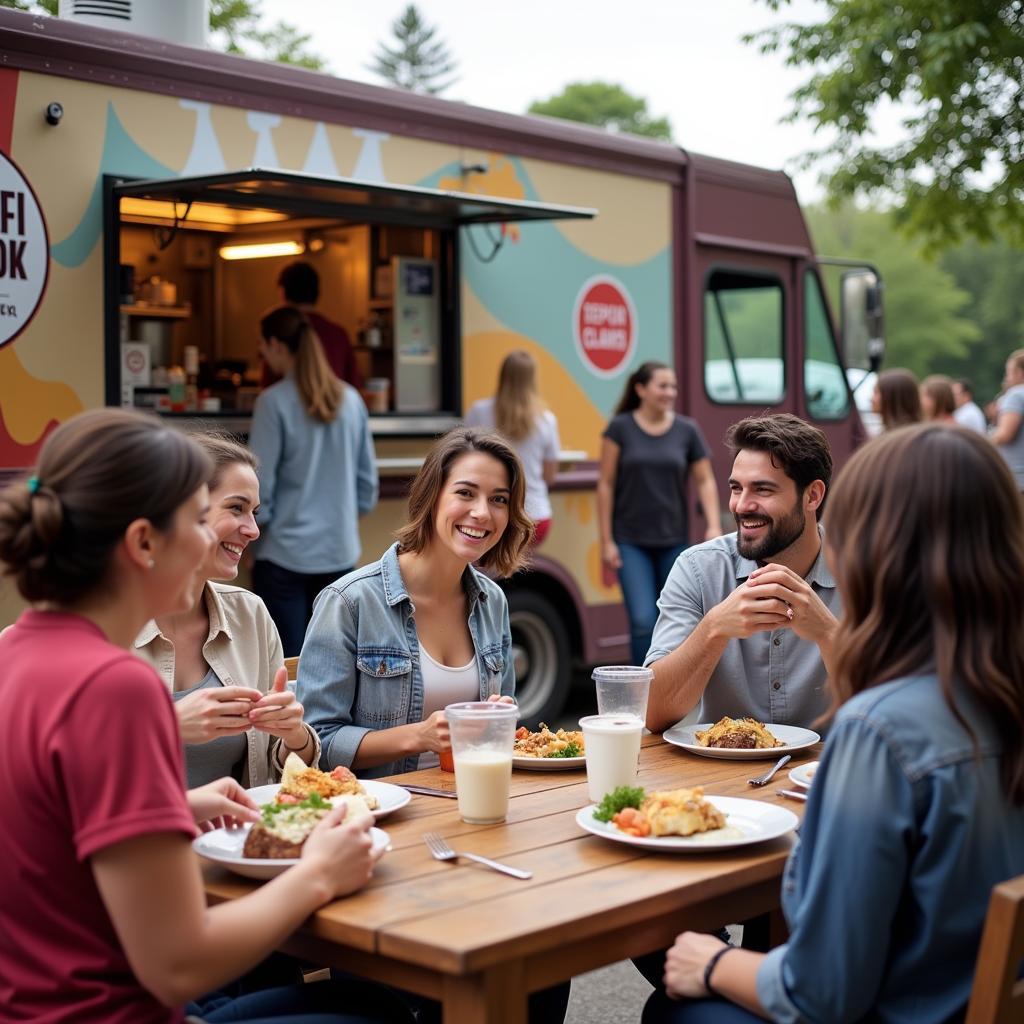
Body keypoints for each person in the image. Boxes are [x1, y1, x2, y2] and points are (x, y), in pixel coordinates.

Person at [0, 408, 395, 1024]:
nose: (221, 538)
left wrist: (174, 808)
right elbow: (177, 963)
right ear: (142, 543)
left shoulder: (13, 652)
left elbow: (44, 830)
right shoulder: (115, 687)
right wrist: (317, 874)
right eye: (196, 519)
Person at [643, 423, 1024, 1024]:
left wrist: (711, 963)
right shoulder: (995, 689)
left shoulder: (881, 732)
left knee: (675, 1009)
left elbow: (821, 990)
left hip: (889, 1005)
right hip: (960, 994)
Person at [299, 427, 531, 779]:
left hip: (471, 795)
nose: (482, 512)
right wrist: (418, 737)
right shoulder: (349, 602)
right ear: (433, 496)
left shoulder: (491, 600)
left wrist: (501, 715)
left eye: (499, 499)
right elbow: (316, 744)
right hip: (380, 813)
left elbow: (507, 720)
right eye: (465, 493)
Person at [135, 432, 320, 789]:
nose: (252, 530)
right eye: (236, 508)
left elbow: (275, 775)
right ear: (179, 510)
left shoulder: (249, 614)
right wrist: (168, 725)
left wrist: (294, 735)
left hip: (235, 840)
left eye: (254, 512)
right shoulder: (100, 626)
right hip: (137, 844)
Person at [644, 414, 839, 734]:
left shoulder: (866, 574)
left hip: (829, 775)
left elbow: (895, 717)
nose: (741, 505)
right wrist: (714, 629)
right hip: (723, 780)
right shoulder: (699, 568)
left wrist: (828, 634)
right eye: (736, 488)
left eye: (762, 489)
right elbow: (652, 712)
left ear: (812, 496)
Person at [250, 305, 378, 656]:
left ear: (276, 345)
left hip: (284, 556)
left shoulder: (272, 403)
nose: (262, 354)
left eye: (262, 345)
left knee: (286, 663)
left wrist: (253, 540)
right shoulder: (352, 401)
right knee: (334, 662)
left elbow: (260, 489)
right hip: (339, 552)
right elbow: (367, 488)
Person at [598, 361, 722, 666]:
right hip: (630, 541)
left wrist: (714, 525)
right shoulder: (620, 428)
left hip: (674, 542)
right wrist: (606, 541)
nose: (670, 392)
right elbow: (605, 484)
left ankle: (672, 685)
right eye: (663, 386)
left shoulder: (687, 430)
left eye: (673, 386)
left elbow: (705, 480)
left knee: (677, 618)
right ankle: (643, 689)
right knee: (642, 619)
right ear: (641, 389)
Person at [465, 349, 560, 546]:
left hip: (490, 513)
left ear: (503, 376)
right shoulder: (546, 420)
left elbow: (463, 460)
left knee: (487, 574)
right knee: (518, 573)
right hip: (536, 517)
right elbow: (550, 475)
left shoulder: (479, 412)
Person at [266, 261, 363, 390]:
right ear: (317, 291)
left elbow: (267, 385)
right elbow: (354, 382)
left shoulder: (278, 334)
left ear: (283, 292)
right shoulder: (339, 334)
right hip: (333, 408)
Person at [991, 348, 1024, 492]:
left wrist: (980, 443)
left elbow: (1005, 434)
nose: (1007, 378)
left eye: (1009, 372)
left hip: (1017, 479)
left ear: (1020, 373)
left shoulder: (1016, 394)